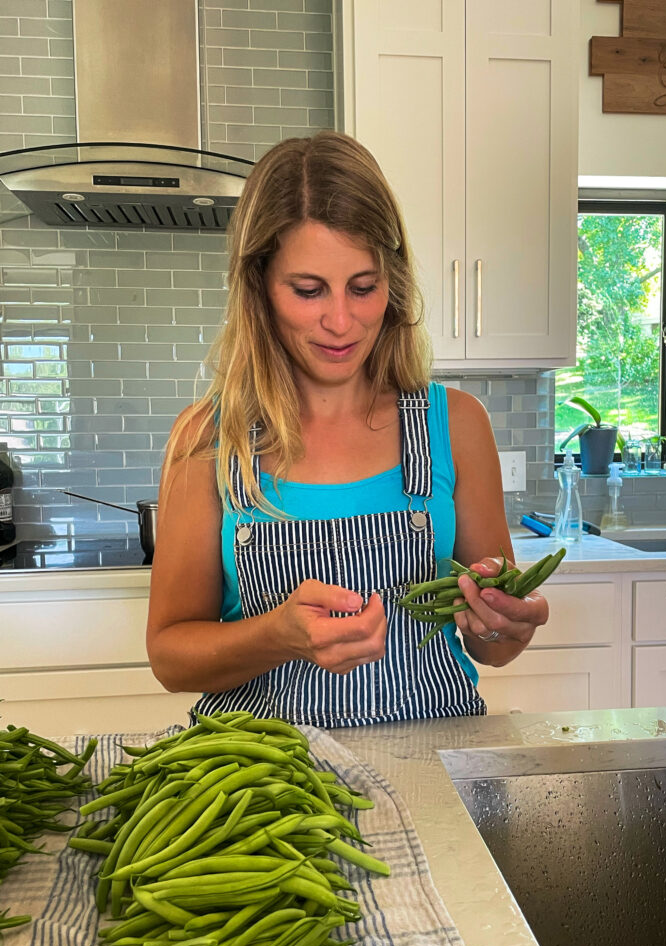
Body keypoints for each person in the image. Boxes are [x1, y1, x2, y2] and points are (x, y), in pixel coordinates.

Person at [146, 130, 549, 728]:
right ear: (259, 287)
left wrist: (506, 624)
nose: (341, 321)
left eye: (363, 288)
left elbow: (492, 647)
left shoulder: (455, 425)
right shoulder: (209, 440)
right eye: (309, 290)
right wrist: (277, 636)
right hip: (265, 789)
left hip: (432, 767)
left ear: (393, 281)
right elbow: (170, 658)